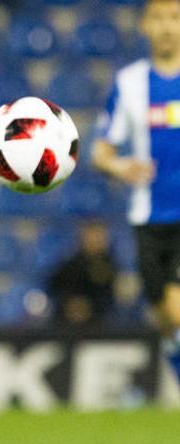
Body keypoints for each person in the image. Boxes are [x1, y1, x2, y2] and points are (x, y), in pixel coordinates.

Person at [92, 0, 180, 380]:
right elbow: (100, 150)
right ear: (144, 25)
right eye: (158, 18)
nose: (166, 27)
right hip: (148, 218)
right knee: (166, 321)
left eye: (175, 18)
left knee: (178, 312)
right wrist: (118, 165)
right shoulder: (129, 83)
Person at [48, 222, 117, 327]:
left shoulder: (113, 266)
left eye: (99, 236)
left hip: (101, 323)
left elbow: (111, 296)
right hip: (67, 326)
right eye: (91, 236)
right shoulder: (69, 266)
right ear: (82, 238)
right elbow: (56, 289)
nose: (95, 241)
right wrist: (71, 304)